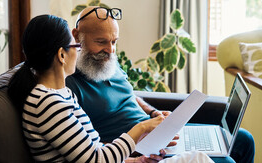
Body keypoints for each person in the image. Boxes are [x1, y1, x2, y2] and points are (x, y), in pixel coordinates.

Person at [7, 14, 213, 163]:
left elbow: (91, 150)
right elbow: (96, 160)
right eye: (75, 46)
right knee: (199, 159)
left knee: (199, 158)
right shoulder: (48, 104)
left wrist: (136, 161)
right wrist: (142, 128)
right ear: (62, 55)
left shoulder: (59, 95)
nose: (78, 52)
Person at [66, 6, 255, 163]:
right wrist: (137, 143)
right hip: (139, 149)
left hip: (157, 134)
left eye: (114, 41)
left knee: (244, 139)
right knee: (226, 160)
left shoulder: (108, 63)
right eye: (101, 42)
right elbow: (88, 148)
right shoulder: (69, 83)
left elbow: (130, 95)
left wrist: (153, 113)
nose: (110, 50)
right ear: (77, 36)